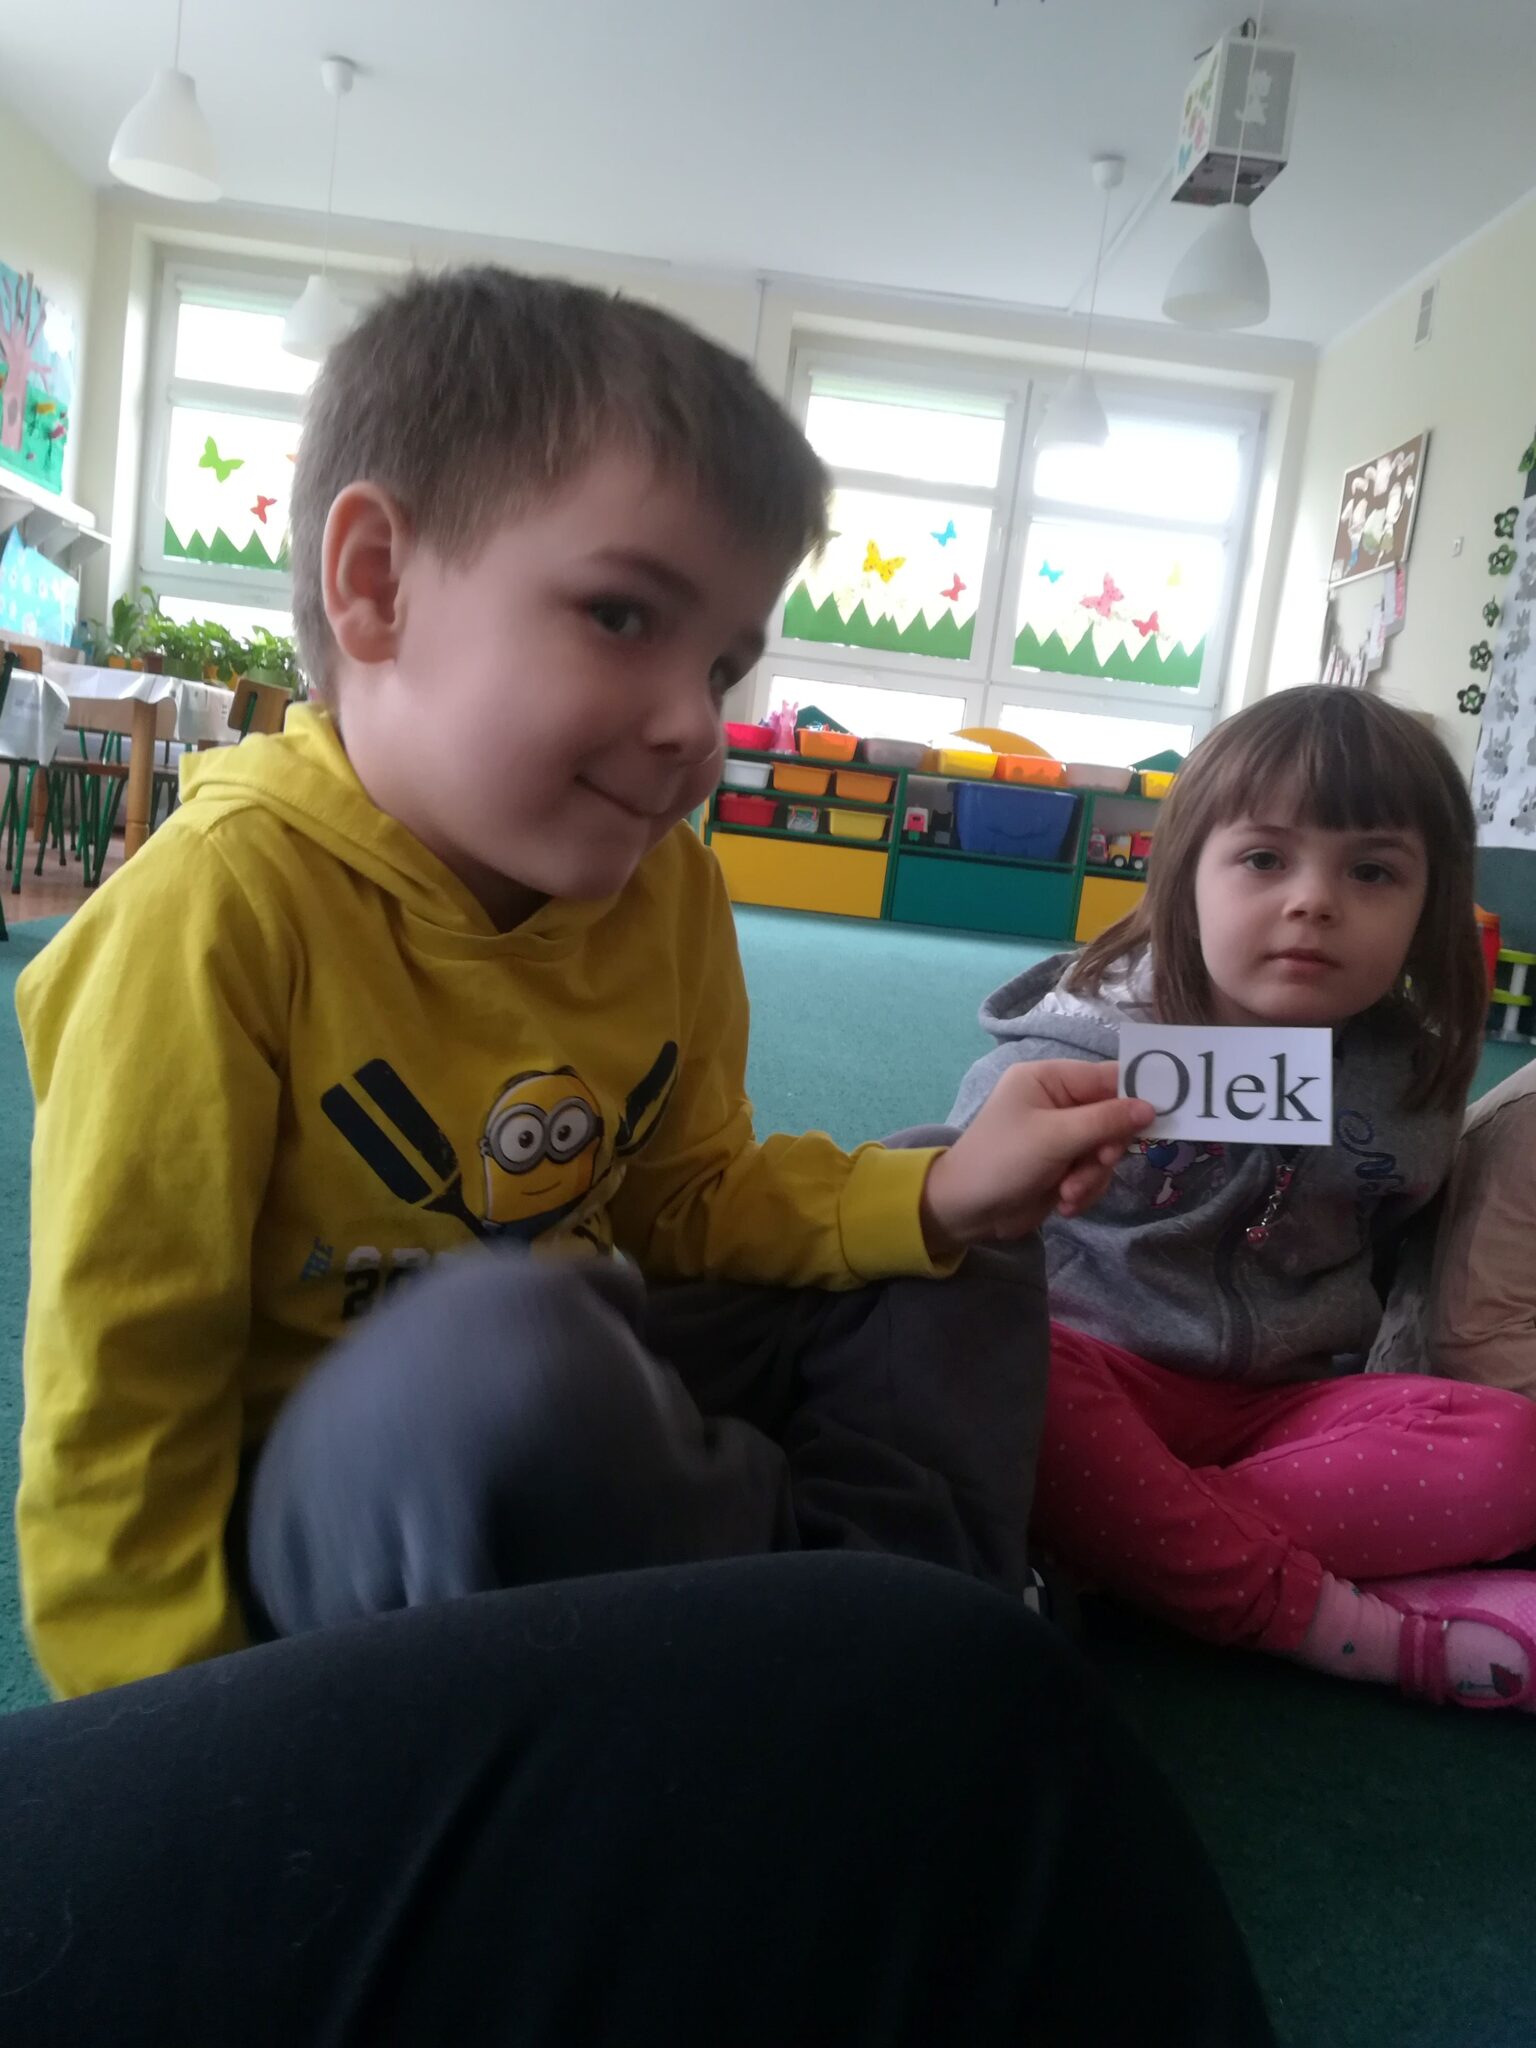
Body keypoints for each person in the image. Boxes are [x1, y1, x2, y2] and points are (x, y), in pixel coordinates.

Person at [16, 267, 1154, 1699]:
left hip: (602, 1378)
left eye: (725, 664)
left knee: (953, 1207)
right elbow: (120, 1400)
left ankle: (906, 1625)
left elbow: (688, 1203)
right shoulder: (209, 913)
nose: (698, 727)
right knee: (506, 1352)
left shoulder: (667, 889)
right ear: (376, 584)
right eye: (622, 616)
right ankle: (796, 1633)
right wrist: (187, 1747)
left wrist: (937, 1200)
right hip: (355, 1496)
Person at [949, 687, 1536, 1713]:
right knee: (990, 1361)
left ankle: (1119, 1545)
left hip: (1278, 1409)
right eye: (1265, 859)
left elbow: (1390, 1242)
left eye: (1372, 871)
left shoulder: (1408, 1082)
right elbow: (961, 1227)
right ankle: (1343, 1625)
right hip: (1089, 1372)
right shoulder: (1071, 1049)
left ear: (1430, 905)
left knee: (1513, 1447)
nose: (1315, 900)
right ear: (1187, 876)